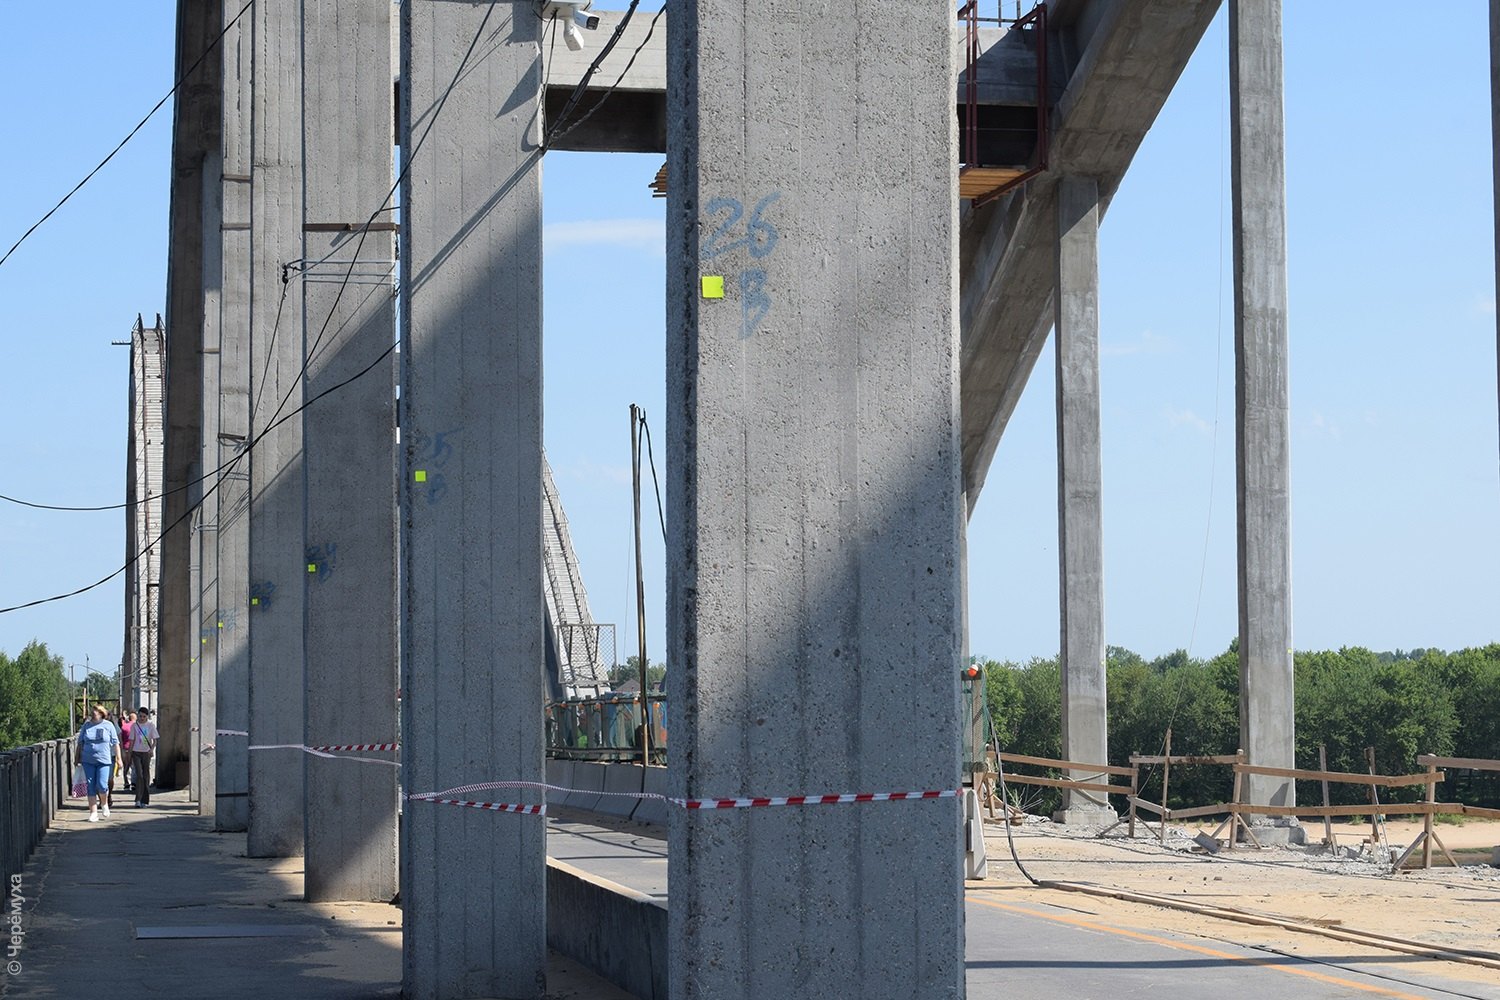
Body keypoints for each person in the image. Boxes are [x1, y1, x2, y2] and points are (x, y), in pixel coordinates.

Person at [75, 705, 122, 823]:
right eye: (93, 711)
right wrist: (77, 758)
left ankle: (104, 803)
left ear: (102, 713)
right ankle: (93, 812)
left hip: (104, 760)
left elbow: (116, 743)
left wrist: (119, 759)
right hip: (88, 760)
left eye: (97, 711)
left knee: (102, 784)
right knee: (90, 786)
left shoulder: (108, 725)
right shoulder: (86, 726)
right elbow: (80, 743)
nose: (94, 713)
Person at [128, 708, 159, 806]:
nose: (142, 718)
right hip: (136, 752)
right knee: (139, 775)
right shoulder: (134, 726)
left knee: (146, 775)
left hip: (146, 753)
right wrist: (130, 752)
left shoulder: (150, 725)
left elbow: (155, 740)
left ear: (147, 716)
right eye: (140, 716)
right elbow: (132, 740)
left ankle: (145, 800)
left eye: (144, 716)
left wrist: (151, 749)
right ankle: (138, 799)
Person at [120, 712, 137, 791]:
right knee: (134, 766)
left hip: (125, 749)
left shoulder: (124, 726)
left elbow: (121, 739)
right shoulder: (137, 726)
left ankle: (126, 783)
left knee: (126, 766)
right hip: (135, 748)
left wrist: (121, 749)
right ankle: (134, 783)